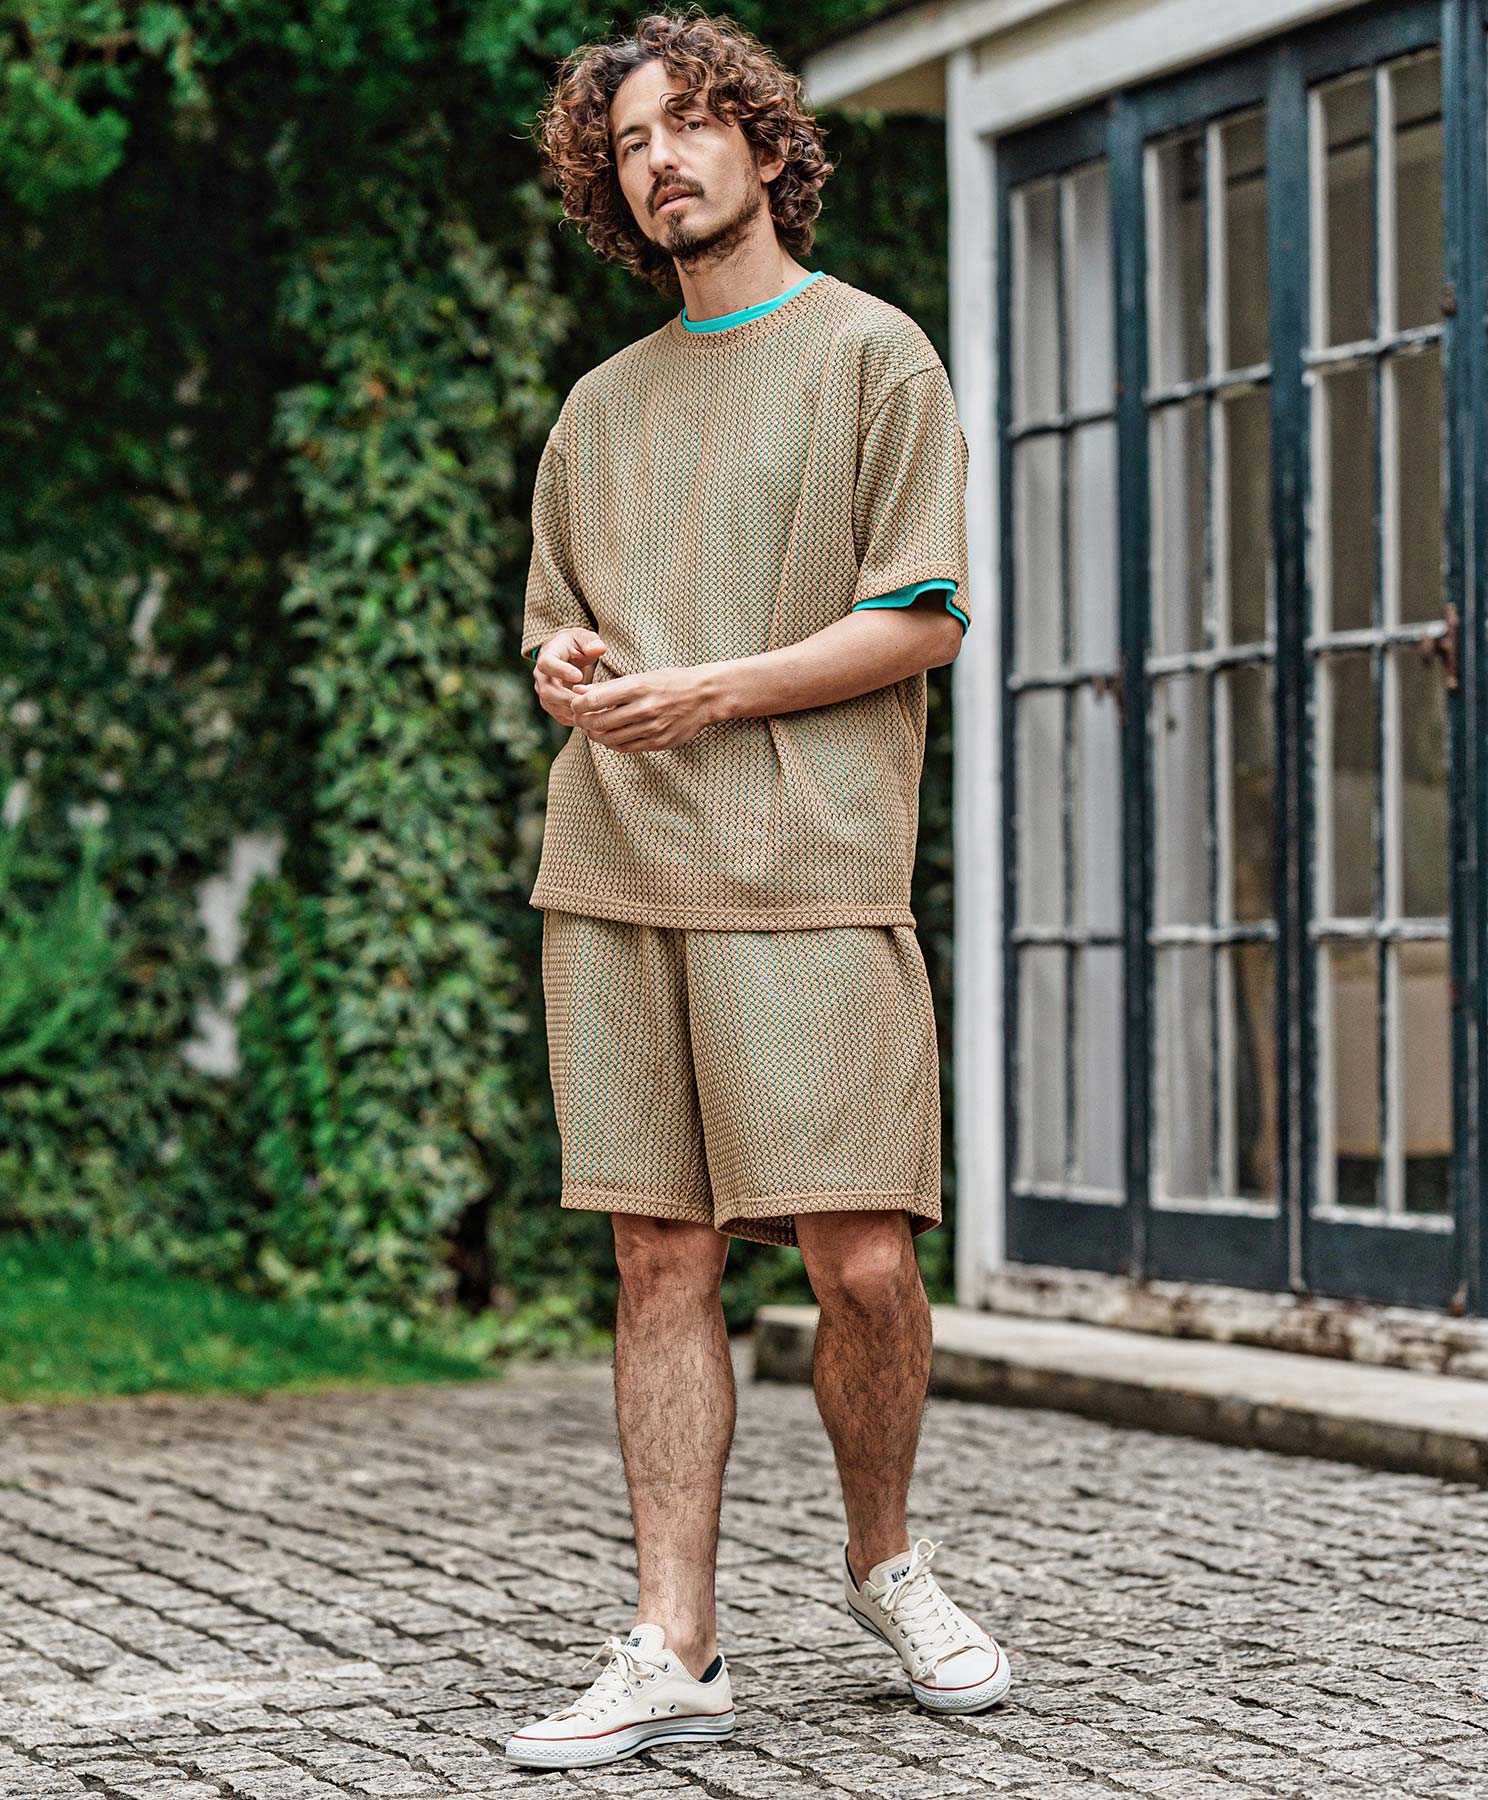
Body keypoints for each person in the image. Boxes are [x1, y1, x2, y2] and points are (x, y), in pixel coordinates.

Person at [504, 7, 1009, 1772]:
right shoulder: (598, 409)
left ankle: (886, 1563)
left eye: (690, 124)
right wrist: (568, 665)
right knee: (659, 1255)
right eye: (628, 142)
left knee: (860, 1258)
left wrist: (713, 690)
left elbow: (922, 616)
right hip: (621, 866)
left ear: (767, 143)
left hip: (809, 868)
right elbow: (557, 620)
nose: (660, 159)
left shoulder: (875, 356)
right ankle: (677, 1642)